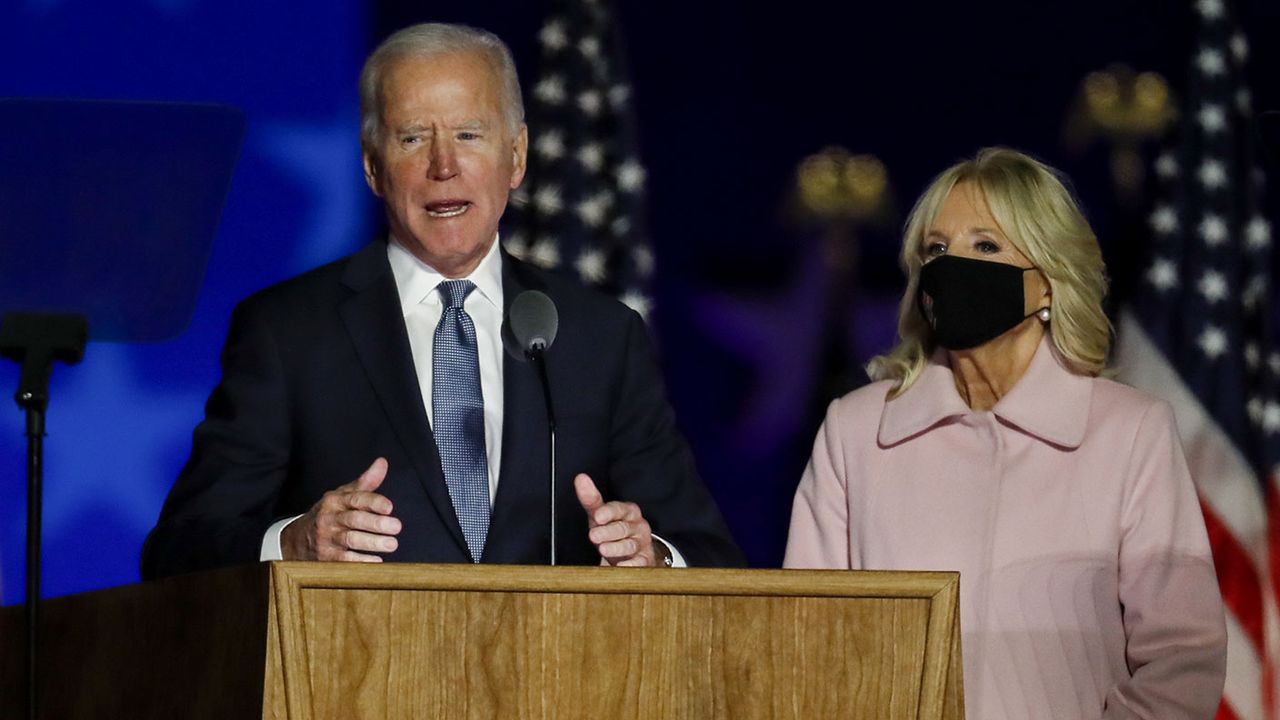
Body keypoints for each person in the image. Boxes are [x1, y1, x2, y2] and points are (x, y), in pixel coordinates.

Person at [141, 23, 742, 578]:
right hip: (357, 684)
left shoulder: (602, 338)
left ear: (517, 155)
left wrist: (654, 556)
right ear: (373, 167)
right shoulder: (287, 332)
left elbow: (711, 554)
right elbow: (179, 550)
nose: (444, 166)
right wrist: (295, 543)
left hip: (560, 682)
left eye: (469, 134)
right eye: (412, 138)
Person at [784, 148, 1226, 719]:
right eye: (936, 249)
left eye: (985, 246)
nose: (952, 264)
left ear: (1047, 283)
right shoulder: (857, 433)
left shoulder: (1129, 431)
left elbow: (1182, 659)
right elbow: (807, 640)